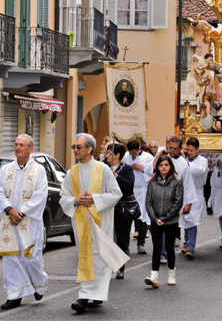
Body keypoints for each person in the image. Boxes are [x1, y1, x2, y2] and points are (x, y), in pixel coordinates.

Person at [60, 133, 127, 315]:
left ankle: (85, 297)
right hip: (81, 223)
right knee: (85, 257)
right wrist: (75, 200)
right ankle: (91, 294)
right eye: (74, 147)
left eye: (78, 147)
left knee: (99, 258)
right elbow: (63, 196)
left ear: (90, 149)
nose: (75, 150)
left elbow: (116, 193)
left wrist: (94, 199)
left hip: (99, 222)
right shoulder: (71, 172)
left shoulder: (103, 169)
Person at [0, 134, 49, 310]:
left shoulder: (39, 170)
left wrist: (22, 212)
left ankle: (39, 283)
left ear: (30, 149)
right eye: (16, 144)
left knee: (31, 258)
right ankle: (14, 294)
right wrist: (10, 210)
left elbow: (41, 194)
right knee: (11, 258)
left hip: (29, 222)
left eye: (22, 145)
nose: (18, 147)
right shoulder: (6, 169)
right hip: (9, 221)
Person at [150, 136, 198, 262]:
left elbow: (188, 184)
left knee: (186, 222)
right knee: (163, 225)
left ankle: (189, 246)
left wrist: (189, 203)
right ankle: (162, 253)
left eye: (174, 148)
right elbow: (154, 175)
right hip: (164, 198)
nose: (171, 150)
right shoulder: (164, 161)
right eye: (169, 147)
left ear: (180, 149)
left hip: (178, 198)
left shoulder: (183, 164)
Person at [144, 155, 184, 287]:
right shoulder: (152, 182)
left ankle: (171, 273)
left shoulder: (176, 182)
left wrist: (165, 218)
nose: (163, 167)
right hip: (156, 221)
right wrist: (155, 219)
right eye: (161, 165)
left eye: (166, 165)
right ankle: (154, 275)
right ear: (157, 167)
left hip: (171, 221)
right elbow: (148, 202)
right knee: (156, 247)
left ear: (170, 166)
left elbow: (178, 203)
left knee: (169, 247)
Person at [106, 143, 135, 280]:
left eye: (110, 153)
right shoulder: (103, 167)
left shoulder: (127, 169)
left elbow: (129, 186)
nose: (107, 156)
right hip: (106, 207)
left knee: (121, 239)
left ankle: (120, 268)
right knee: (106, 238)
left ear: (117, 155)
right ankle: (106, 267)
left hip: (122, 208)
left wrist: (116, 176)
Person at [122, 140, 154, 254]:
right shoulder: (125, 156)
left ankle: (141, 244)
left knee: (142, 218)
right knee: (127, 217)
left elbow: (153, 172)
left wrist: (141, 169)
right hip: (130, 190)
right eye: (131, 153)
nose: (132, 155)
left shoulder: (148, 157)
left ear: (139, 149)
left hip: (143, 190)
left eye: (134, 153)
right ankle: (125, 245)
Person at [183, 137, 208, 259]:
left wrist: (185, 162)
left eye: (191, 150)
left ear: (197, 149)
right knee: (185, 220)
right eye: (187, 150)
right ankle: (186, 242)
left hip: (195, 192)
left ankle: (191, 246)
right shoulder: (184, 159)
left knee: (192, 220)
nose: (189, 152)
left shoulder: (202, 161)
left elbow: (199, 171)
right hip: (184, 193)